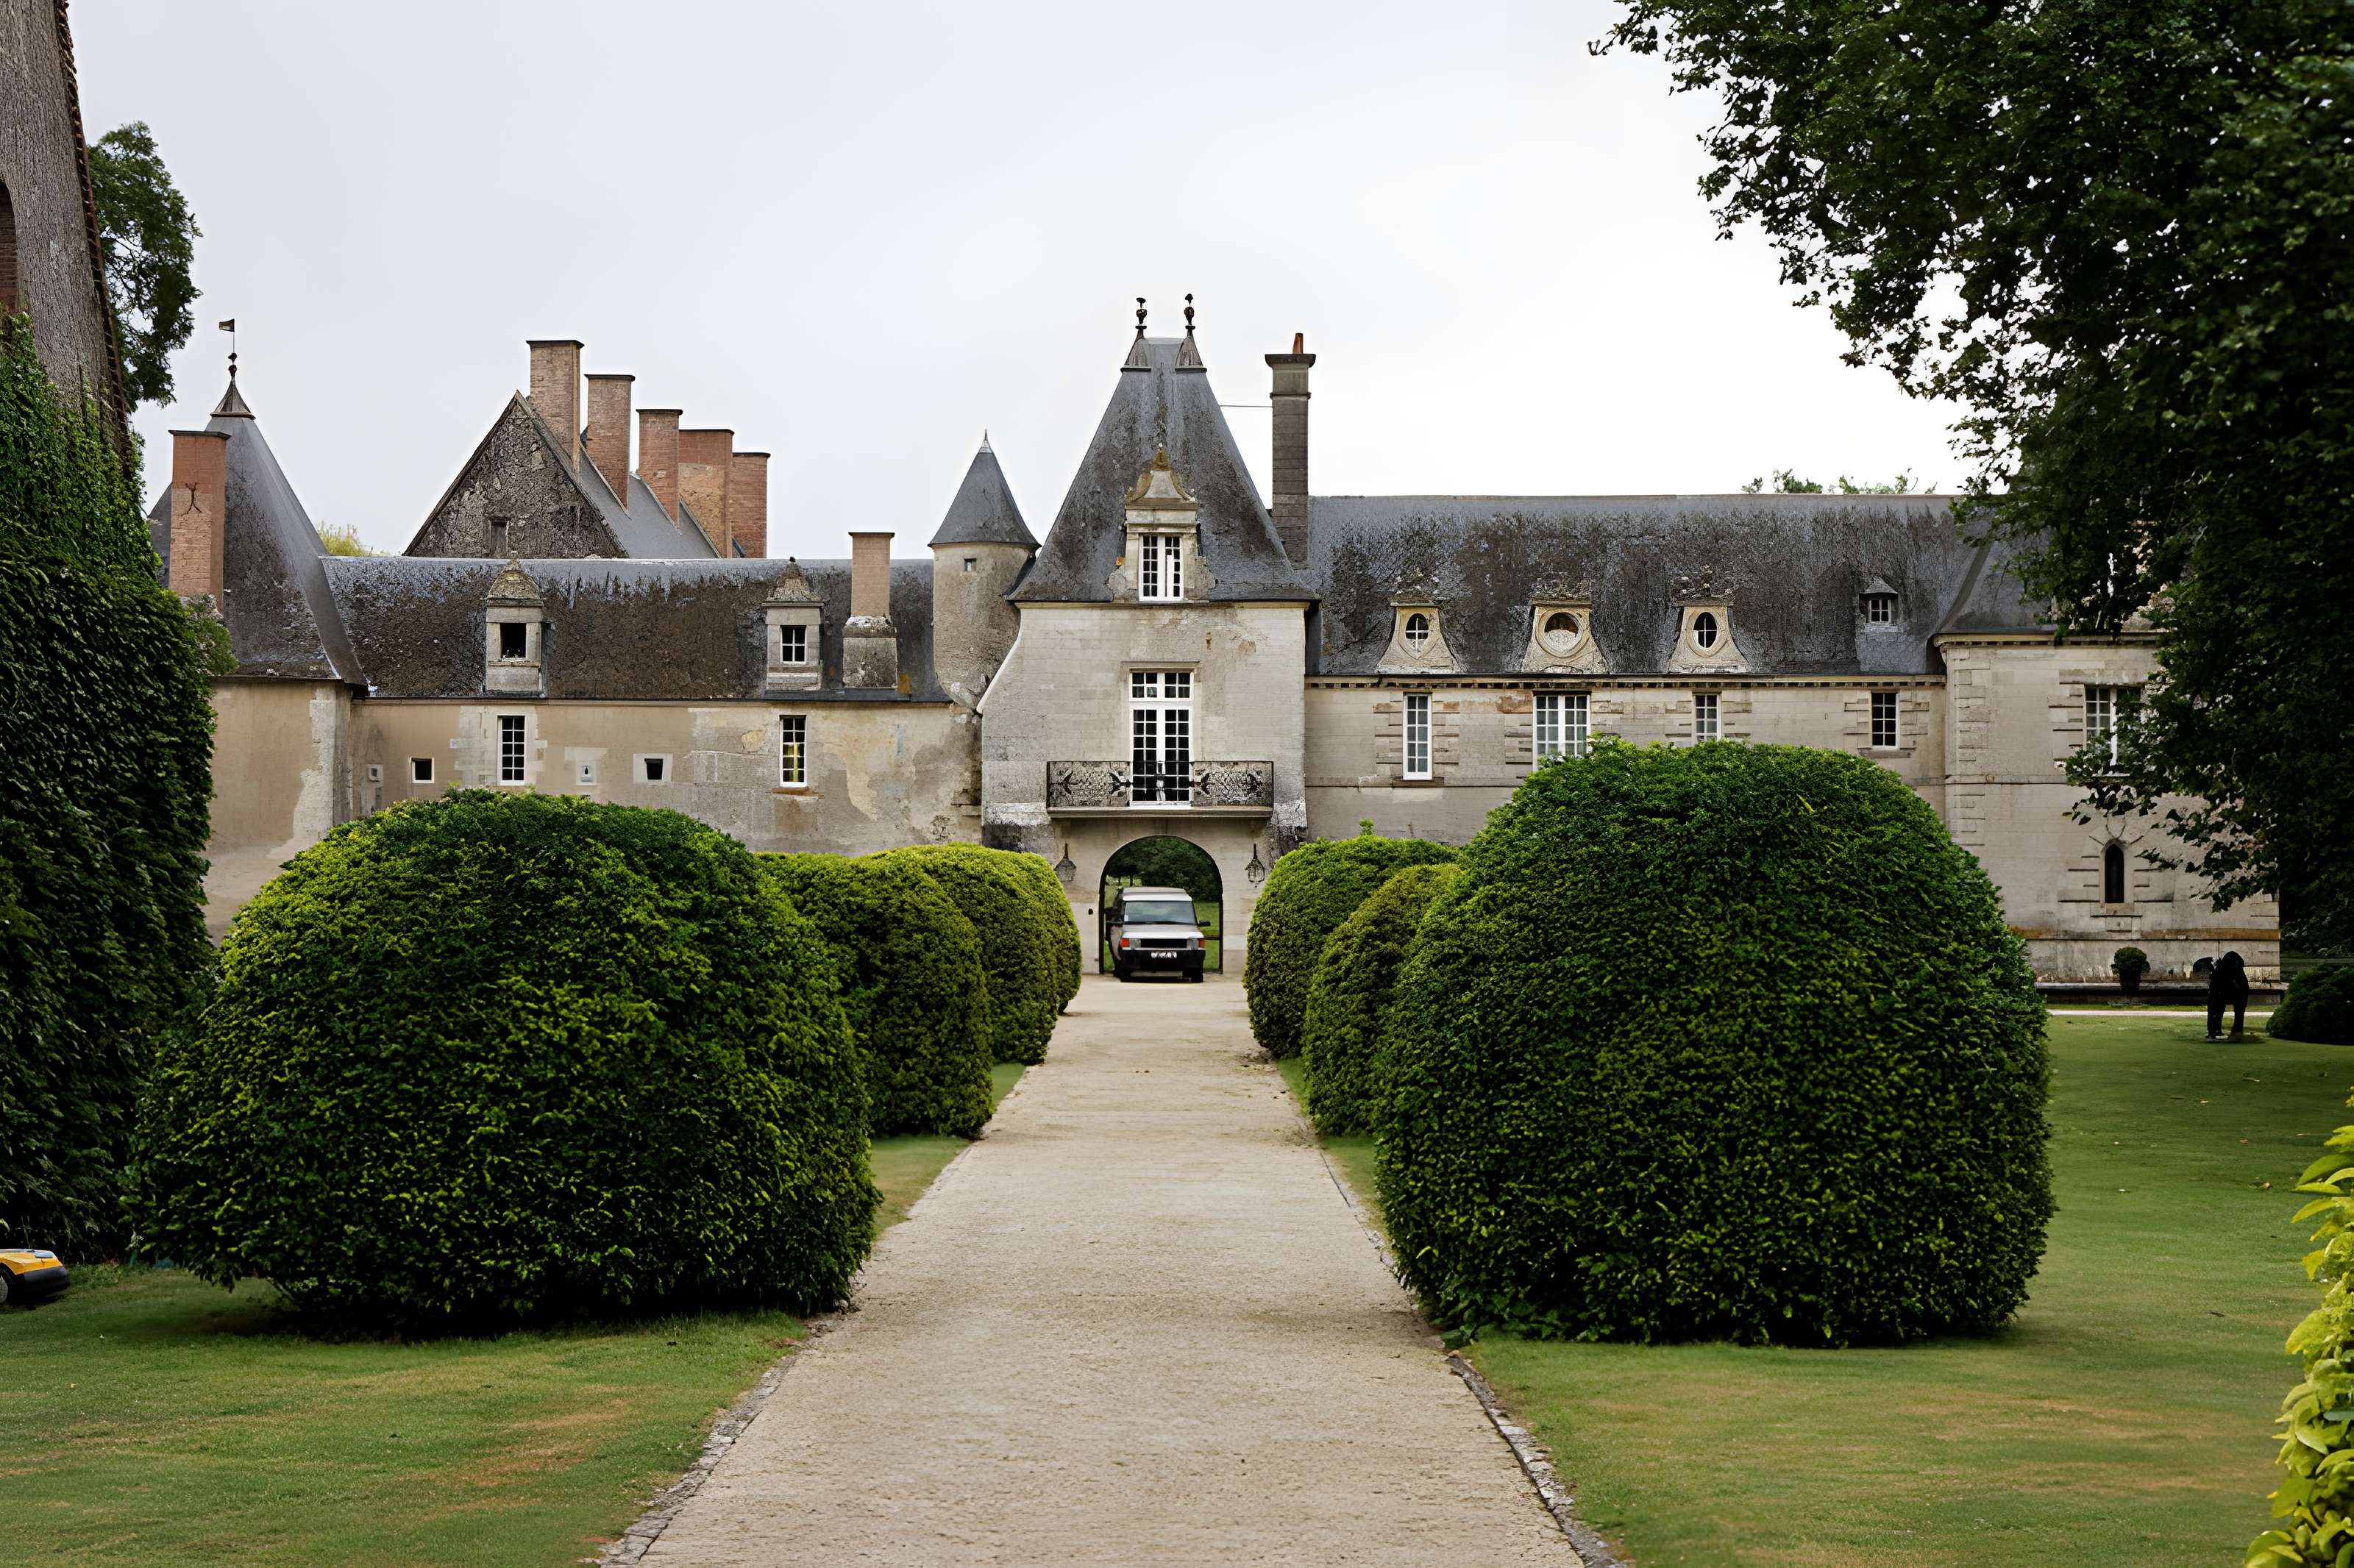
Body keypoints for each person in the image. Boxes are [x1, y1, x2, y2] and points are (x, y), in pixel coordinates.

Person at [2208, 950, 2250, 1041]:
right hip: (2224, 990)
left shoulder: (2223, 971)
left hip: (2231, 991)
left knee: (2217, 1009)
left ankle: (2216, 1030)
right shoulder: (2222, 972)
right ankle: (2218, 1030)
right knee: (2218, 1008)